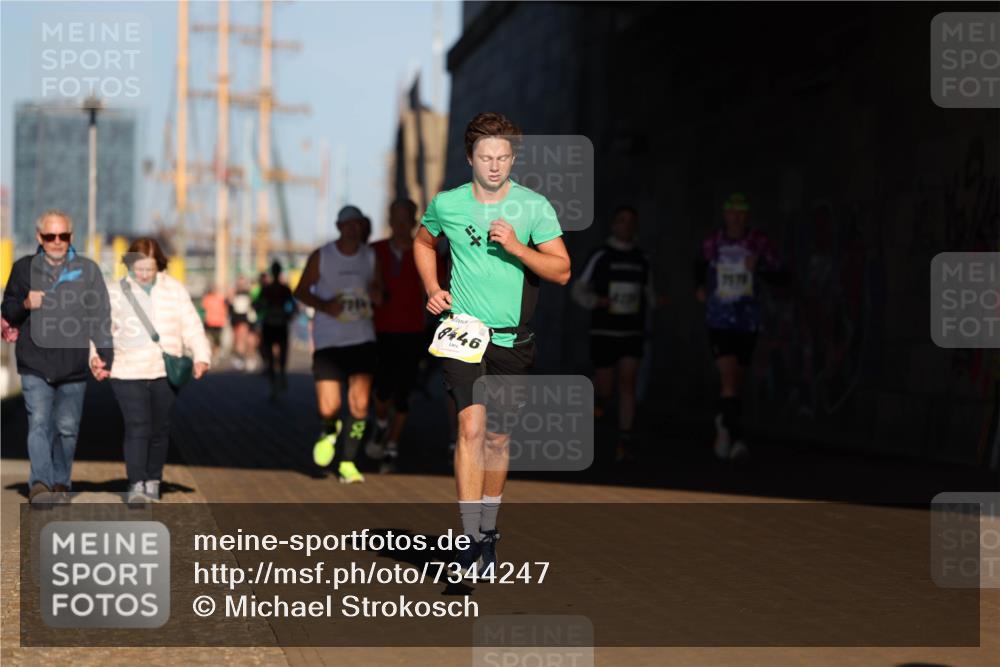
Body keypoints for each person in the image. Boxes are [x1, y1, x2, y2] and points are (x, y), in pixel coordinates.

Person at [413, 112, 570, 573]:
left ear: (513, 158)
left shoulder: (534, 207)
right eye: (486, 157)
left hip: (512, 340)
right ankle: (467, 538)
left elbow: (561, 271)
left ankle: (488, 530)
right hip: (464, 334)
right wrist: (431, 287)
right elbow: (423, 243)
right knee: (471, 430)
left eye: (503, 157)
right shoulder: (449, 204)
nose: (495, 166)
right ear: (470, 157)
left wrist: (519, 248)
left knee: (498, 439)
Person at [1, 209, 113, 504]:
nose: (57, 242)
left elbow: (99, 315)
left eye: (62, 236)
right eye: (50, 236)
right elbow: (8, 310)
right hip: (34, 363)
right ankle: (40, 483)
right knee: (39, 422)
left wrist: (105, 354)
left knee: (66, 429)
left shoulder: (88, 270)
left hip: (73, 365)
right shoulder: (23, 268)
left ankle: (61, 482)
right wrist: (26, 302)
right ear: (40, 237)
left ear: (70, 237)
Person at [100, 238, 211, 503]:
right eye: (139, 267)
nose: (143, 274)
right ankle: (136, 482)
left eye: (149, 268)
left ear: (159, 265)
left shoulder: (174, 290)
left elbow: (191, 325)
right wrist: (96, 358)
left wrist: (201, 355)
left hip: (164, 369)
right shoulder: (116, 291)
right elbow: (100, 330)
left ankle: (153, 479)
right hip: (127, 369)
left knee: (160, 428)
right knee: (137, 426)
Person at [294, 205, 384, 484]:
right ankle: (329, 429)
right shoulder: (322, 256)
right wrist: (324, 305)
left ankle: (347, 461)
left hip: (362, 339)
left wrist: (375, 294)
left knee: (359, 406)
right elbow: (300, 292)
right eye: (348, 224)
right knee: (329, 407)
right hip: (329, 341)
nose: (354, 229)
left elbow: (380, 293)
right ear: (339, 227)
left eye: (358, 224)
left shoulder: (370, 257)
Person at [694, 193, 785, 461]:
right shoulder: (714, 242)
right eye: (731, 211)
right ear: (725, 214)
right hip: (720, 319)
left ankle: (724, 422)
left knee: (737, 381)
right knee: (729, 378)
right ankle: (735, 439)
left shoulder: (758, 242)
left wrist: (761, 268)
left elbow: (782, 275)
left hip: (748, 320)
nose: (735, 217)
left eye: (741, 212)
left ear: (747, 215)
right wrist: (699, 287)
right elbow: (698, 263)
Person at [572, 205, 661, 463]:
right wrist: (596, 301)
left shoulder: (643, 259)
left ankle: (625, 440)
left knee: (628, 384)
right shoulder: (601, 256)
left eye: (631, 221)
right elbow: (578, 290)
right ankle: (598, 401)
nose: (627, 226)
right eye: (621, 220)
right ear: (613, 225)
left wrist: (659, 302)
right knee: (607, 386)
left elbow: (649, 293)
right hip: (605, 331)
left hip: (632, 331)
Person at [368, 198, 432, 473]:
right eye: (394, 218)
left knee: (404, 393)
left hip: (412, 331)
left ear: (414, 221)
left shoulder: (425, 251)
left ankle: (392, 447)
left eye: (405, 219)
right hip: (380, 331)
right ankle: (381, 424)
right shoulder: (374, 251)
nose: (399, 225)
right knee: (382, 389)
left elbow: (439, 287)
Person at [255, 260, 297, 399]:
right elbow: (294, 306)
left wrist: (264, 309)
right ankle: (281, 377)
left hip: (271, 324)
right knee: (281, 354)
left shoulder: (267, 289)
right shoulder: (284, 289)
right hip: (279, 324)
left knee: (271, 357)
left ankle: (274, 385)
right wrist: (287, 315)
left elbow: (255, 304)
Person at [229, 276, 256, 370]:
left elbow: (253, 305)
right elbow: (229, 305)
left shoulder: (249, 293)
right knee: (239, 339)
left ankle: (249, 358)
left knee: (250, 340)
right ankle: (240, 357)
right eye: (239, 283)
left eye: (243, 283)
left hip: (248, 319)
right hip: (238, 319)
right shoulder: (234, 292)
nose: (241, 285)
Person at [201, 285, 228, 362]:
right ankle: (211, 354)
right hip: (209, 322)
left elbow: (226, 308)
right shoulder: (207, 298)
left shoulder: (221, 298)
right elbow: (203, 310)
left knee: (217, 340)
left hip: (219, 323)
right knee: (209, 340)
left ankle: (215, 355)